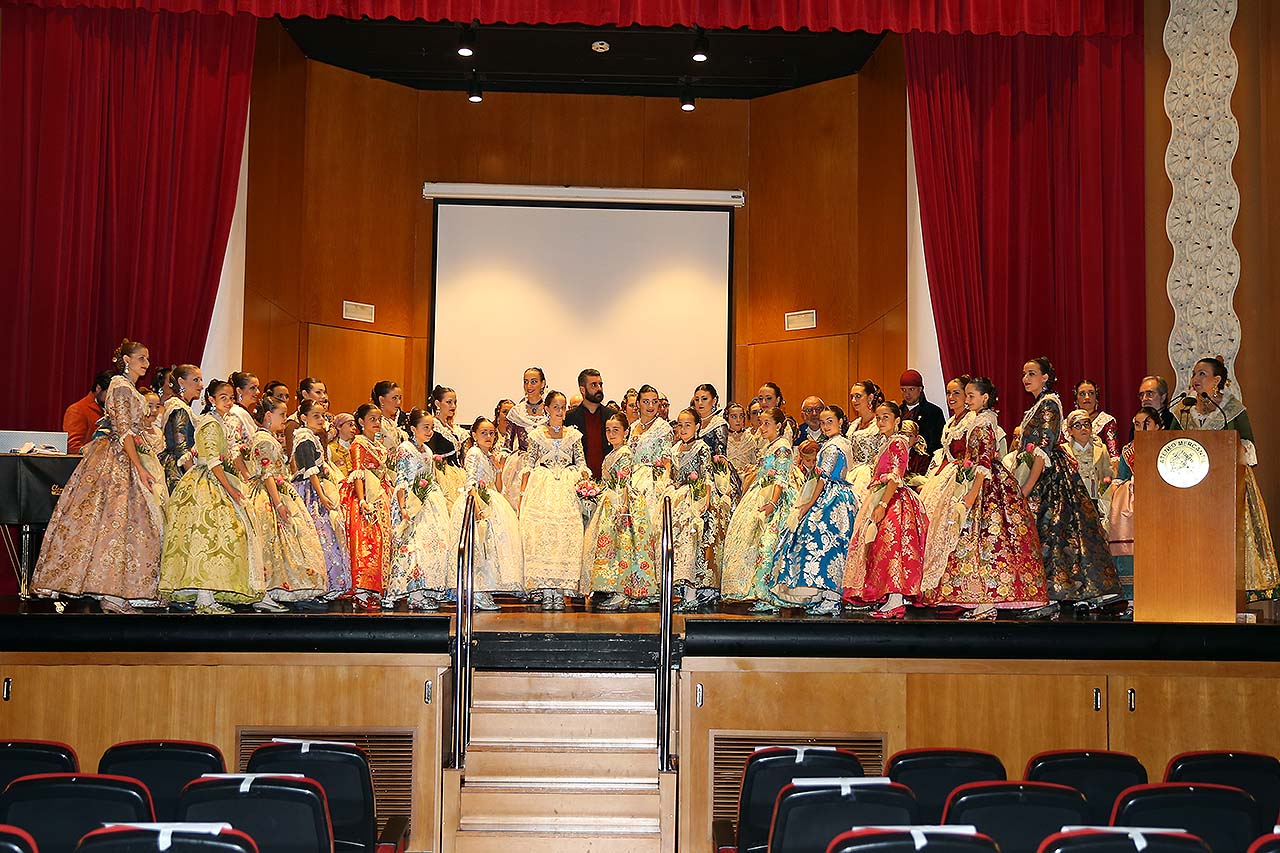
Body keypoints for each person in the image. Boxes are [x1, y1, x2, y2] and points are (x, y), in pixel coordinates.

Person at [34, 339, 168, 611]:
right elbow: (123, 431)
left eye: (148, 358)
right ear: (127, 360)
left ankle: (118, 593)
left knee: (129, 526)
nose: (146, 363)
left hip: (127, 454)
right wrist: (140, 467)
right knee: (114, 522)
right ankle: (111, 594)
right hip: (116, 460)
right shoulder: (119, 386)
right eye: (141, 357)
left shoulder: (128, 387)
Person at [921, 378, 1047, 619]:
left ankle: (986, 600)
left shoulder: (984, 423)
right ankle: (981, 598)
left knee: (985, 541)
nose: (966, 401)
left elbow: (984, 462)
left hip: (985, 486)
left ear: (984, 398)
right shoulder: (980, 421)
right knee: (976, 543)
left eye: (971, 396)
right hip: (978, 481)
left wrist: (972, 493)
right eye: (966, 396)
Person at [1013, 357, 1119, 616]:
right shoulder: (1040, 404)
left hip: (1050, 477)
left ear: (1046, 377)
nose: (1026, 378)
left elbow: (1043, 450)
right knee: (1056, 537)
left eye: (1032, 373)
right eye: (1024, 373)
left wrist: (1026, 487)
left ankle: (1051, 596)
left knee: (1052, 534)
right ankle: (1048, 595)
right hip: (1045, 473)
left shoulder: (1049, 405)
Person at [1173, 356, 1279, 601]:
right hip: (1189, 486)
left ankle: (1229, 588)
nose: (1195, 379)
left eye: (1202, 374)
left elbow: (1248, 445)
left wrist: (1229, 449)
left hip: (1228, 484)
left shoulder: (1232, 408)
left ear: (1217, 380)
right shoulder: (1183, 410)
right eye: (1194, 374)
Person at [160, 379, 261, 613]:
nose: (228, 401)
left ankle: (208, 594)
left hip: (215, 478)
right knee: (206, 539)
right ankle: (204, 598)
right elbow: (213, 460)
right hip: (207, 483)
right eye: (222, 397)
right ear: (211, 400)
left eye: (230, 397)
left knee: (217, 540)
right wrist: (231, 488)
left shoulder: (219, 422)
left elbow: (211, 451)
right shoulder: (210, 423)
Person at [843, 402, 929, 618]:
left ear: (897, 420)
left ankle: (896, 599)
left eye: (885, 417)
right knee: (882, 549)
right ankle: (891, 598)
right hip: (882, 496)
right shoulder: (888, 442)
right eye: (878, 418)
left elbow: (895, 476)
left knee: (892, 548)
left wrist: (882, 504)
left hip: (893, 500)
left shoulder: (898, 442)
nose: (881, 422)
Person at [773, 405, 859, 616]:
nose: (825, 425)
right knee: (832, 544)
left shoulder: (833, 447)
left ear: (841, 422)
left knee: (824, 540)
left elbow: (823, 478)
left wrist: (808, 505)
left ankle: (831, 596)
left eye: (830, 421)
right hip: (839, 495)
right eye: (822, 422)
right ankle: (825, 594)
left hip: (832, 498)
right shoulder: (838, 443)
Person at [246, 397, 328, 611]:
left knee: (289, 545)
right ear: (268, 416)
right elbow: (267, 474)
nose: (285, 419)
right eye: (282, 415)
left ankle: (289, 589)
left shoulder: (269, 438)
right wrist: (278, 503)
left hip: (279, 491)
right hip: (268, 496)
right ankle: (264, 593)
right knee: (270, 545)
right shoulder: (263, 439)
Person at [519, 390, 590, 609]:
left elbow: (581, 463)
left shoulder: (573, 436)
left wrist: (584, 480)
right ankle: (545, 589)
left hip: (566, 488)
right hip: (543, 487)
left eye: (563, 407)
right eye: (556, 407)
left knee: (565, 537)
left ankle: (559, 590)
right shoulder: (537, 435)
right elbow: (529, 464)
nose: (561, 411)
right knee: (543, 536)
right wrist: (522, 495)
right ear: (547, 409)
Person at [721, 407, 796, 611]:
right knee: (750, 540)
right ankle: (754, 591)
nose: (761, 427)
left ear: (778, 426)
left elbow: (781, 478)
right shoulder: (770, 446)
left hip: (774, 497)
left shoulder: (782, 447)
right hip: (761, 491)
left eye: (766, 423)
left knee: (768, 542)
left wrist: (772, 503)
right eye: (760, 423)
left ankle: (766, 592)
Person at [583, 412, 658, 610]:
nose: (611, 433)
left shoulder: (624, 453)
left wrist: (622, 508)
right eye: (608, 430)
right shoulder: (610, 454)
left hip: (621, 504)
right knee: (610, 549)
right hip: (610, 502)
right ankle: (611, 588)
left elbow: (623, 483)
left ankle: (621, 592)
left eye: (616, 430)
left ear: (625, 432)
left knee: (622, 547)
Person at [659, 408, 731, 611]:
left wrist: (704, 504)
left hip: (697, 496)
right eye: (680, 425)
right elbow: (672, 477)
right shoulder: (674, 450)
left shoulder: (701, 448)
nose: (683, 429)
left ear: (697, 426)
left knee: (691, 540)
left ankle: (692, 593)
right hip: (677, 497)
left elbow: (707, 476)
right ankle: (678, 589)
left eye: (687, 425)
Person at [454, 417, 525, 609]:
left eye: (492, 433)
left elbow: (499, 487)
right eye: (483, 433)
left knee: (491, 548)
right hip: (477, 501)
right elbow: (470, 482)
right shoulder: (474, 453)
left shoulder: (488, 455)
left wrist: (499, 469)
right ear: (474, 435)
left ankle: (484, 590)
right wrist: (477, 508)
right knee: (479, 546)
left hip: (490, 498)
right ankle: (476, 591)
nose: (488, 436)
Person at [388, 410, 454, 610]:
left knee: (431, 546)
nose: (430, 431)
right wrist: (403, 507)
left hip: (429, 501)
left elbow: (430, 477)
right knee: (414, 547)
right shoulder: (405, 448)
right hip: (411, 501)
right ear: (413, 428)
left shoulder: (426, 450)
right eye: (426, 427)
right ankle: (414, 594)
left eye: (432, 427)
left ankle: (425, 589)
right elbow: (401, 478)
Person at [917, 376, 974, 590]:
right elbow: (945, 457)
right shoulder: (951, 422)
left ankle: (951, 582)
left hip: (962, 475)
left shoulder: (971, 420)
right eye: (948, 393)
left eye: (956, 393)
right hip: (946, 473)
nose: (951, 397)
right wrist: (931, 479)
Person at [291, 399, 349, 599]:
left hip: (315, 489)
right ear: (303, 418)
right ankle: (320, 584)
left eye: (323, 416)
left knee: (326, 535)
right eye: (316, 415)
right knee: (318, 534)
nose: (321, 419)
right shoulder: (304, 437)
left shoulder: (311, 437)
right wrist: (322, 496)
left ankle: (329, 583)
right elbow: (310, 471)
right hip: (309, 492)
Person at [1108, 406, 1164, 606]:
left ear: (1158, 425)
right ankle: (1132, 597)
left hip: (1162, 505)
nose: (1141, 428)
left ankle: (1162, 591)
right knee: (1132, 547)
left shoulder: (1167, 447)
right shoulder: (1128, 450)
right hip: (1133, 506)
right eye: (1137, 425)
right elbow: (1120, 478)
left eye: (1146, 424)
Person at [340, 404, 393, 609]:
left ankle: (376, 588)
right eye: (372, 419)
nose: (377, 423)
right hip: (365, 497)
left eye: (379, 419)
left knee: (380, 542)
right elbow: (358, 473)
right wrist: (362, 500)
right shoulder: (359, 444)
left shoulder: (378, 446)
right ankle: (361, 590)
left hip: (379, 495)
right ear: (361, 422)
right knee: (365, 542)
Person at [628, 384, 674, 527]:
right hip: (631, 478)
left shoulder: (663, 427)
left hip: (651, 481)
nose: (651, 405)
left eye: (654, 401)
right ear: (638, 404)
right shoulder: (633, 426)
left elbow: (667, 458)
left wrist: (663, 483)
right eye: (646, 401)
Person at [565, 368, 620, 479]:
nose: (599, 389)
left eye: (600, 384)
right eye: (594, 385)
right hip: (579, 482)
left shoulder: (613, 416)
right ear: (582, 389)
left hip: (610, 481)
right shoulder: (568, 418)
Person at [159, 364, 203, 492]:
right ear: (181, 382)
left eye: (200, 380)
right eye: (196, 380)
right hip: (178, 469)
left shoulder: (181, 407)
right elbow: (181, 448)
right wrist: (194, 477)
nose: (201, 385)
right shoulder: (179, 409)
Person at [427, 385, 468, 510]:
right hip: (441, 476)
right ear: (437, 404)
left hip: (458, 474)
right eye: (449, 402)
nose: (453, 406)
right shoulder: (432, 426)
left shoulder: (452, 429)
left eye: (455, 402)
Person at [846, 380, 888, 495]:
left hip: (869, 476)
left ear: (870, 398)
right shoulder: (854, 424)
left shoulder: (879, 424)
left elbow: (884, 453)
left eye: (858, 396)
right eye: (852, 397)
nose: (854, 400)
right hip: (851, 474)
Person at [1065, 409, 1113, 505]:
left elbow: (1108, 474)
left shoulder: (1101, 449)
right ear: (1070, 431)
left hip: (1096, 500)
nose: (1083, 428)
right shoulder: (1064, 451)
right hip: (1072, 502)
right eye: (1077, 425)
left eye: (1086, 424)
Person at [63, 371, 113, 455]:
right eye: (109, 394)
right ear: (98, 388)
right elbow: (73, 447)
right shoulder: (78, 409)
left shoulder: (115, 409)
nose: (112, 399)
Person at [898, 370, 946, 455]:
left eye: (911, 389)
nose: (907, 394)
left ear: (920, 389)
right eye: (903, 390)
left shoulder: (933, 412)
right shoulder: (897, 412)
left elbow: (938, 444)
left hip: (925, 462)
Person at [1074, 379, 1119, 469]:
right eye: (1082, 394)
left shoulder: (1106, 421)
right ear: (1076, 398)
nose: (1087, 397)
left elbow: (1113, 455)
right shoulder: (1066, 424)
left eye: (1091, 393)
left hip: (1099, 473)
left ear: (1096, 397)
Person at [226, 371, 261, 481]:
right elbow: (234, 448)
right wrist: (247, 476)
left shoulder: (244, 413)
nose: (258, 392)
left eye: (257, 388)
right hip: (240, 471)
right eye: (253, 388)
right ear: (239, 391)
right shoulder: (235, 413)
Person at [725, 403, 756, 476]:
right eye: (734, 417)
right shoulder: (722, 438)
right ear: (727, 418)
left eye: (741, 416)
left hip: (746, 478)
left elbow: (755, 463)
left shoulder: (749, 438)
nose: (738, 420)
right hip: (726, 479)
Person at [329, 413, 356, 480]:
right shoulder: (330, 448)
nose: (354, 428)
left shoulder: (356, 446)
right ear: (339, 427)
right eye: (350, 425)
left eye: (355, 426)